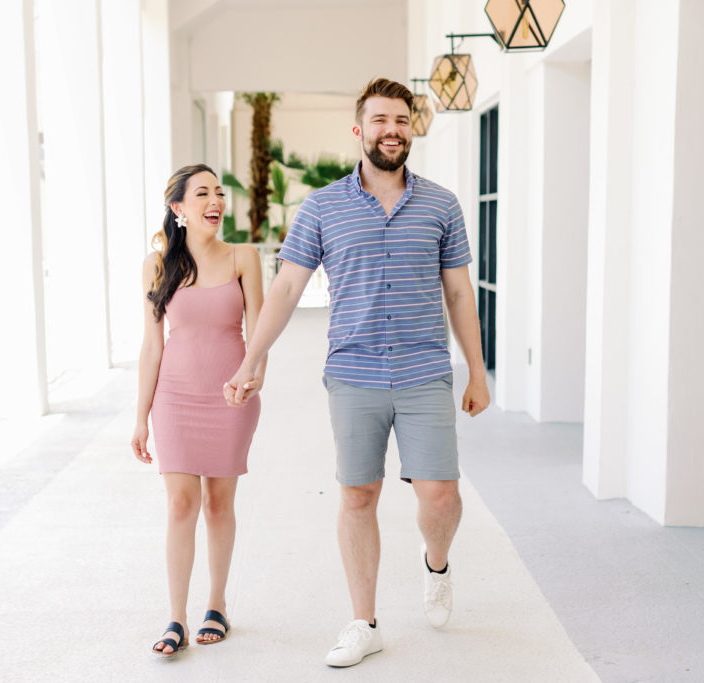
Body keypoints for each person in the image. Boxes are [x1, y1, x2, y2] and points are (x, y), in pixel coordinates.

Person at [224, 79, 490, 668]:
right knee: (357, 496)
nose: (391, 129)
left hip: (425, 369)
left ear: (411, 128)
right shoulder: (322, 206)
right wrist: (251, 359)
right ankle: (363, 621)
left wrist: (477, 370)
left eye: (401, 119)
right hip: (354, 373)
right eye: (379, 120)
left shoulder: (442, 204)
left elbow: (459, 293)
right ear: (359, 130)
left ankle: (436, 564)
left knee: (441, 496)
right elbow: (288, 287)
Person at [132, 163, 264, 656]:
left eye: (219, 193)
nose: (215, 201)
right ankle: (175, 618)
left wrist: (254, 379)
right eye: (202, 193)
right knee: (181, 504)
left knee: (218, 504)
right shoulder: (158, 264)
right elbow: (151, 347)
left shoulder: (244, 257)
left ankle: (217, 604)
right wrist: (140, 417)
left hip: (230, 396)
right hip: (175, 398)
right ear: (179, 208)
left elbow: (260, 333)